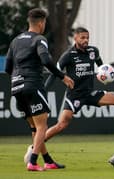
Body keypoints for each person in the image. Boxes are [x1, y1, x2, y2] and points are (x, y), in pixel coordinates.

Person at [5, 8, 74, 171]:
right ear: (41, 23)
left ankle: (48, 161)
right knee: (42, 126)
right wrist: (62, 76)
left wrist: (18, 78)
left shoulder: (15, 41)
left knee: (35, 128)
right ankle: (33, 162)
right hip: (32, 85)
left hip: (16, 87)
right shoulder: (39, 39)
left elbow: (8, 67)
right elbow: (46, 60)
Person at [43, 27, 114, 141]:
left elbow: (101, 66)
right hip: (75, 96)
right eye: (82, 37)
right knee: (62, 125)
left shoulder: (93, 51)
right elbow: (54, 73)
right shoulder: (68, 55)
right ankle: (36, 146)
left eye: (87, 38)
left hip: (90, 93)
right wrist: (44, 90)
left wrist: (104, 74)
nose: (86, 40)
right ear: (75, 38)